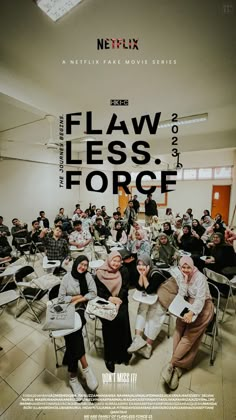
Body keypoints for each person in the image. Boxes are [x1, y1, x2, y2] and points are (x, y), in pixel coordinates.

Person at [162, 256, 214, 390]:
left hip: (204, 306)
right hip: (189, 302)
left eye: (188, 267)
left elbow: (201, 299)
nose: (185, 270)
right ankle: (177, 367)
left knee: (190, 336)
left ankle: (172, 365)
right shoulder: (182, 275)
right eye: (183, 267)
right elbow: (182, 294)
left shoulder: (200, 278)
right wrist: (184, 282)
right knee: (179, 328)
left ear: (193, 266)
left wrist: (192, 312)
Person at [58, 255, 98, 401]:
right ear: (75, 264)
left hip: (80, 308)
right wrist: (75, 298)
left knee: (74, 331)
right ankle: (85, 368)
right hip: (66, 309)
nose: (83, 267)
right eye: (81, 264)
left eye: (86, 265)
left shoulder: (87, 276)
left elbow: (93, 293)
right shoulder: (66, 277)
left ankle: (73, 378)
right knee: (74, 335)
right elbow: (61, 298)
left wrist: (79, 300)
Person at [128, 255, 172, 359]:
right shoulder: (141, 272)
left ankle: (148, 346)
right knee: (142, 307)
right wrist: (142, 275)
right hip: (154, 294)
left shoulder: (155, 274)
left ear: (149, 265)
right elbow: (139, 287)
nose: (141, 266)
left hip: (164, 295)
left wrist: (143, 276)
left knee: (155, 315)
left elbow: (149, 290)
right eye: (139, 264)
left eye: (144, 264)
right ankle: (137, 339)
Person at [95, 251, 132, 372]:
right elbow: (99, 291)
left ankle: (124, 354)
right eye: (113, 260)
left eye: (118, 261)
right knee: (109, 327)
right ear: (109, 260)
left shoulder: (123, 270)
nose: (116, 263)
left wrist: (118, 300)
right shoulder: (100, 272)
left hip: (121, 301)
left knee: (122, 322)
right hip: (106, 302)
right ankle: (109, 358)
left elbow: (125, 288)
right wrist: (110, 298)